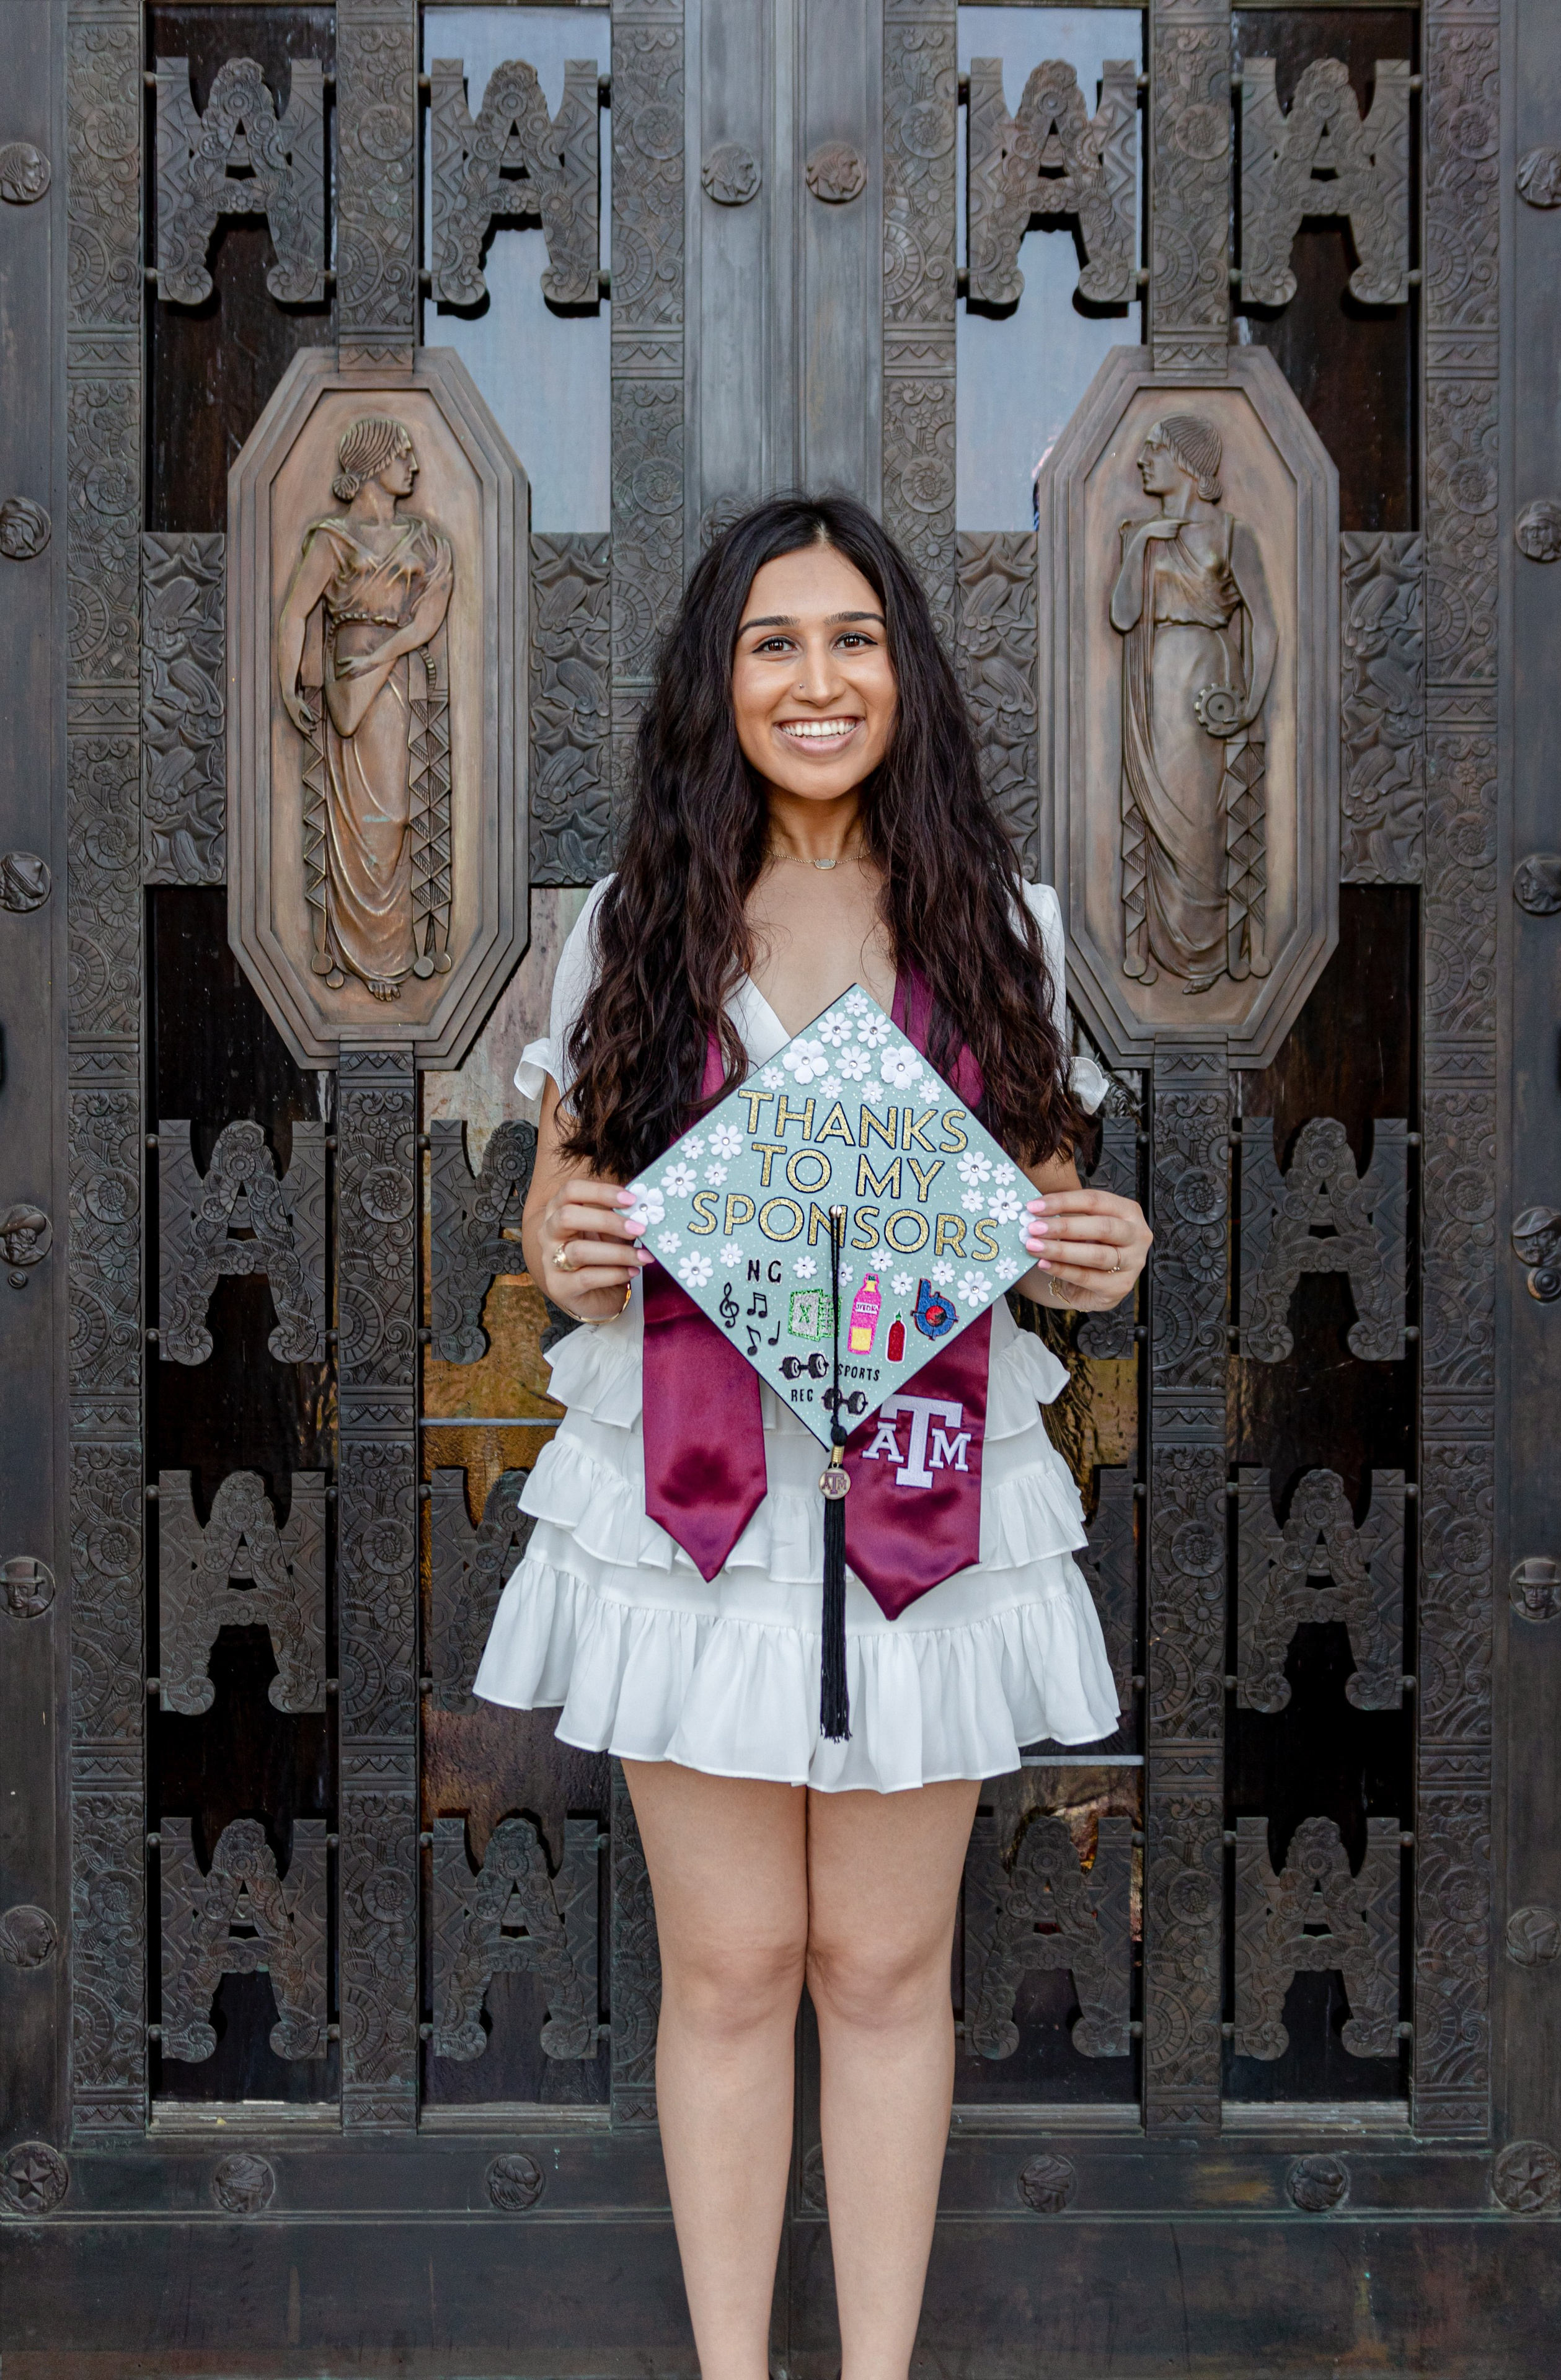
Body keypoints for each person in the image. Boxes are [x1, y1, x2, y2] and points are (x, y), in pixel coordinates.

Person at [474, 495, 1152, 2380]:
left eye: (852, 637)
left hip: (922, 1487)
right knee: (730, 1964)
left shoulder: (994, 923)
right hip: (695, 1493)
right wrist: (577, 1244)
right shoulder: (638, 920)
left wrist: (1097, 1248)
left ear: (904, 674)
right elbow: (558, 1217)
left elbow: (1044, 1203)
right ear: (721, 680)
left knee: (875, 1964)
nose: (817, 676)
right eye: (774, 641)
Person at [276, 415, 454, 999]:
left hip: (390, 677)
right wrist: (287, 685)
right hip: (347, 682)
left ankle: (393, 951)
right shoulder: (334, 540)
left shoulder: (426, 542)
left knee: (395, 814)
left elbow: (428, 618)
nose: (416, 465)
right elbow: (296, 613)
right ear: (376, 463)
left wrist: (386, 654)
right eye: (404, 453)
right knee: (357, 825)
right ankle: (357, 954)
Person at [1110, 413, 1276, 991]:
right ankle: (1162, 949)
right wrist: (1141, 545)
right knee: (1158, 820)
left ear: (1184, 459)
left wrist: (1251, 703)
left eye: (1153, 448)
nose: (1141, 460)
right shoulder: (1141, 533)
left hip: (1206, 686)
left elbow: (1264, 625)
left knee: (1203, 820)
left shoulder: (1233, 535)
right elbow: (1124, 616)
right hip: (1152, 689)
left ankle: (1209, 954)